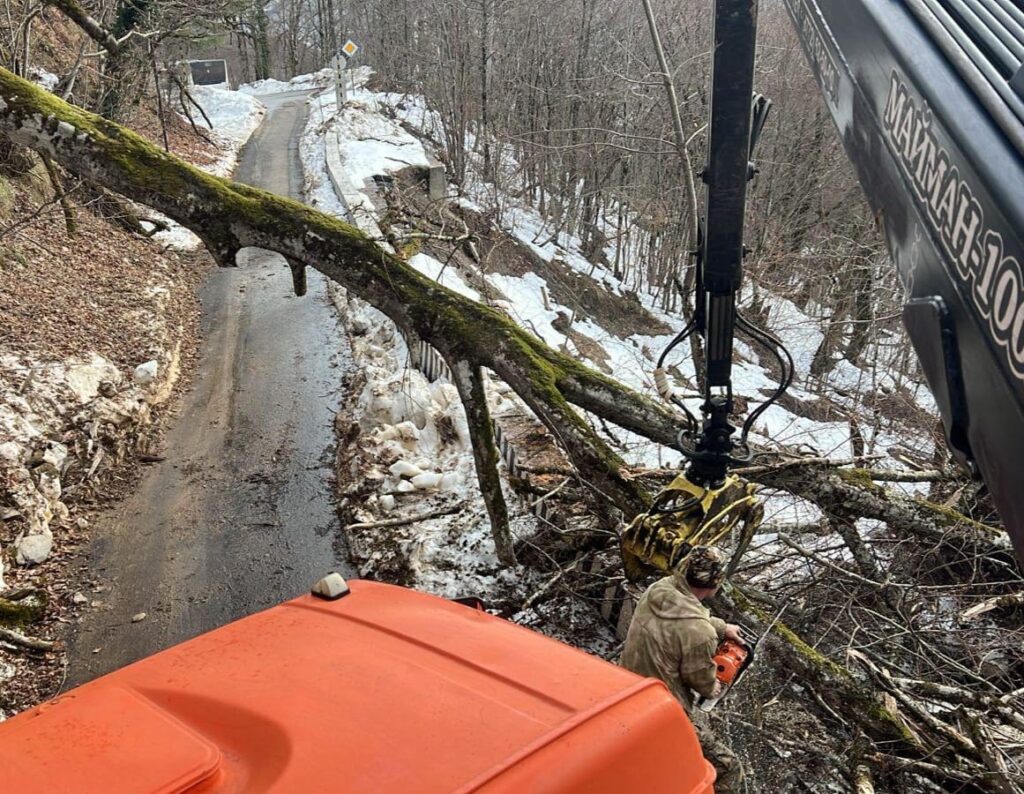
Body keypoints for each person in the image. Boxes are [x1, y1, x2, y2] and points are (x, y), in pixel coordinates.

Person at [621, 546, 743, 793]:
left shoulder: (660, 589)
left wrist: (721, 627)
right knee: (728, 767)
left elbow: (683, 618)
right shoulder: (699, 633)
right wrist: (716, 685)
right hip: (659, 710)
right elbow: (702, 683)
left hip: (626, 684)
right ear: (716, 584)